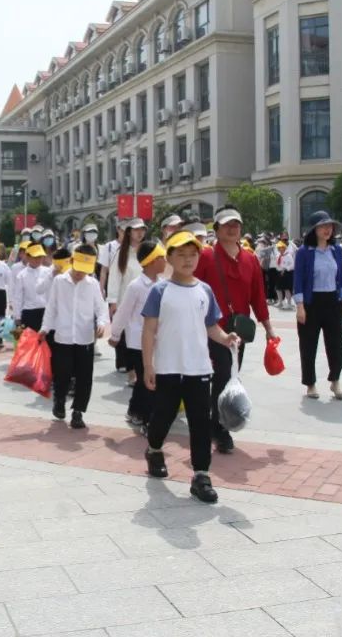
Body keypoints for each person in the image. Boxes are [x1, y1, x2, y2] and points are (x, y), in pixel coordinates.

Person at [141, 231, 241, 504]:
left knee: (200, 423)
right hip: (168, 367)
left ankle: (200, 475)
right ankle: (154, 449)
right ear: (169, 258)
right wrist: (148, 364)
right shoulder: (160, 291)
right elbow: (149, 330)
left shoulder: (204, 290)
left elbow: (211, 326)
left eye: (192, 254)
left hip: (198, 368)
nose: (187, 260)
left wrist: (225, 337)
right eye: (181, 255)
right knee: (163, 416)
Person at [194, 207, 275, 455]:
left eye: (236, 224)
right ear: (216, 229)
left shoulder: (250, 259)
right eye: (227, 224)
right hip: (210, 328)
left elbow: (258, 297)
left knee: (230, 376)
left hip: (238, 332)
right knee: (219, 376)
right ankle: (219, 428)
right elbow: (193, 290)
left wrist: (268, 328)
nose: (233, 228)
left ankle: (216, 423)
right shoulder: (206, 257)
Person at [39, 245, 108, 430]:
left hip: (85, 338)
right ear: (71, 262)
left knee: (85, 377)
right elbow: (51, 307)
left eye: (85, 271)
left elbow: (101, 308)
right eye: (78, 270)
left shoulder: (92, 284)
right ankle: (59, 401)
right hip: (63, 337)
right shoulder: (59, 282)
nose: (80, 274)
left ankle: (78, 412)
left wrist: (102, 323)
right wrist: (45, 328)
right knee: (62, 374)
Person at [109, 241, 166, 429]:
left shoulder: (163, 285)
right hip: (137, 342)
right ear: (150, 262)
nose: (164, 261)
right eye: (160, 258)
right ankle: (146, 418)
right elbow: (123, 312)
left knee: (145, 382)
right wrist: (115, 334)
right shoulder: (136, 286)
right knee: (147, 380)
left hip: (157, 342)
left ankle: (135, 410)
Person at [294, 211, 342, 401]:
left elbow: (340, 278)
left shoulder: (337, 250)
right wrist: (300, 306)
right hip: (311, 303)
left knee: (337, 344)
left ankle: (335, 380)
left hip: (332, 302)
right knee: (308, 345)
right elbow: (298, 279)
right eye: (323, 226)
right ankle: (310, 384)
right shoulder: (304, 252)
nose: (327, 230)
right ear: (314, 230)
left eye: (330, 226)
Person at [107, 217, 147, 378]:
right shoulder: (121, 254)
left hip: (146, 301)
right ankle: (132, 371)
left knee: (144, 335)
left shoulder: (148, 250)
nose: (140, 233)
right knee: (130, 337)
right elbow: (114, 278)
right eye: (136, 230)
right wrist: (113, 302)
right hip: (127, 301)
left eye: (142, 230)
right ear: (129, 232)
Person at [12, 244, 49, 332]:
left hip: (46, 312)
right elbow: (18, 297)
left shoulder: (48, 272)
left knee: (47, 342)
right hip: (29, 312)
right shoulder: (21, 275)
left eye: (40, 256)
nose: (38, 259)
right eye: (35, 257)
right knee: (31, 342)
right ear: (28, 257)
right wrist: (17, 316)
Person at [98, 221, 126, 299]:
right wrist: (101, 289)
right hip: (113, 285)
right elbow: (103, 271)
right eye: (123, 230)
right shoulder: (109, 246)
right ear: (118, 229)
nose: (125, 233)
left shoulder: (134, 247)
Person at [273, 240, 295, 308]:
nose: (279, 249)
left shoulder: (288, 255)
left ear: (284, 248)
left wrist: (285, 269)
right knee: (278, 288)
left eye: (281, 247)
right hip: (279, 272)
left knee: (286, 288)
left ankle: (289, 303)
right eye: (278, 248)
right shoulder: (279, 255)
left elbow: (292, 265)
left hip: (286, 273)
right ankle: (280, 302)